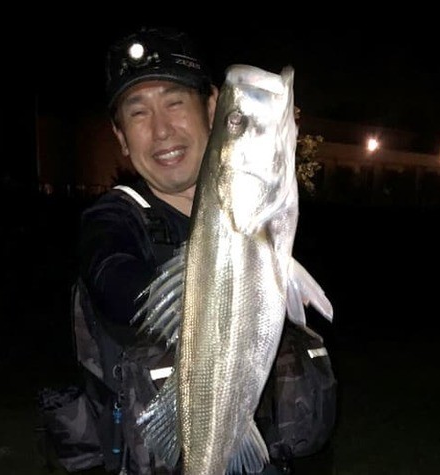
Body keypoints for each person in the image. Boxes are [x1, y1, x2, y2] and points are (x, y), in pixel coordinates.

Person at [73, 26, 334, 475]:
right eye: (138, 113)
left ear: (212, 108)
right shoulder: (112, 222)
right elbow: (113, 283)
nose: (161, 130)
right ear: (121, 137)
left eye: (175, 102)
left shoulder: (264, 218)